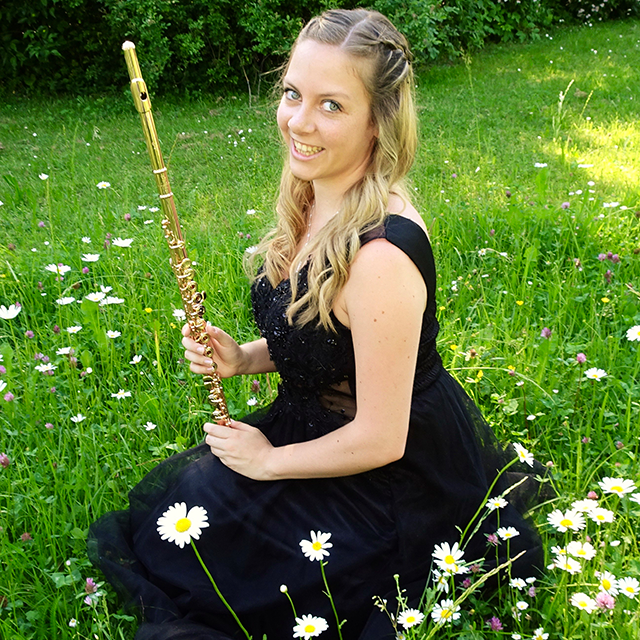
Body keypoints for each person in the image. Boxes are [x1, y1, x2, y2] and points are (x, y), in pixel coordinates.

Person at [88, 8, 544, 640]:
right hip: (313, 426)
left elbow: (383, 437)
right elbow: (328, 343)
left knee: (248, 584)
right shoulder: (313, 194)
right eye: (292, 94)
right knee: (183, 525)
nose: (300, 122)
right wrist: (246, 358)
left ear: (377, 122)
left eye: (331, 105)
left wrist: (269, 461)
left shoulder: (382, 257)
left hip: (387, 478)